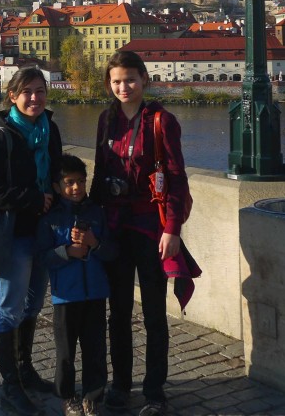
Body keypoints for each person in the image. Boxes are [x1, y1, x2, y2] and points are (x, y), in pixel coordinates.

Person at [90, 51, 190, 416]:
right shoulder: (106, 120)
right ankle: (120, 384)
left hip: (150, 228)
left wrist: (172, 229)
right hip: (115, 227)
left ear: (144, 79)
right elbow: (100, 174)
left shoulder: (162, 121)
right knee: (116, 312)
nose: (123, 87)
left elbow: (177, 178)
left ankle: (154, 390)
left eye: (130, 79)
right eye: (116, 81)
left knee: (153, 314)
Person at [0, 66, 63, 416]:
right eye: (27, 91)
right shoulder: (0, 138)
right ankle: (10, 387)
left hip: (44, 233)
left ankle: (25, 370)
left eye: (40, 91)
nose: (35, 98)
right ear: (12, 96)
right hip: (14, 235)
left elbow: (55, 173)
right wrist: (31, 199)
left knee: (32, 306)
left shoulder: (50, 130)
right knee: (9, 307)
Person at [37, 154, 118, 416]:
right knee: (65, 352)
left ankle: (93, 394)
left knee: (95, 348)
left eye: (81, 182)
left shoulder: (97, 213)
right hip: (66, 296)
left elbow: (111, 253)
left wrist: (94, 243)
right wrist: (67, 252)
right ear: (58, 186)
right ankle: (68, 396)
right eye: (70, 182)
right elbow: (43, 256)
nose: (76, 188)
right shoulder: (51, 218)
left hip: (95, 292)